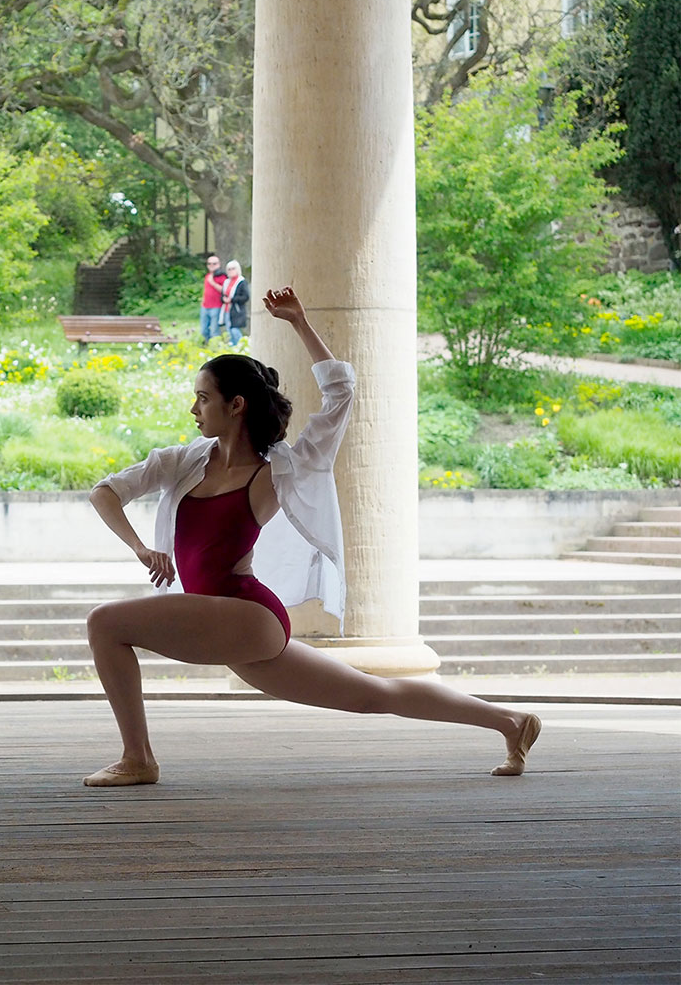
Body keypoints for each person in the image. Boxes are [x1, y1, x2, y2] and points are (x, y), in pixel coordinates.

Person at [79, 287, 540, 787]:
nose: (194, 408)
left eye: (203, 398)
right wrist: (141, 548)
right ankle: (510, 722)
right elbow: (106, 492)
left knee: (106, 624)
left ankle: (139, 759)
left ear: (236, 405)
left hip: (247, 614)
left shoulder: (283, 470)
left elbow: (341, 392)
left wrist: (299, 321)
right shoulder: (183, 460)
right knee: (370, 694)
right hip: (225, 621)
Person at [199, 254, 228, 344]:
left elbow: (224, 290)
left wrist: (213, 283)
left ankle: (215, 347)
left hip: (216, 306)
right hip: (205, 306)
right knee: (203, 330)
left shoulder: (222, 276)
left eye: (214, 264)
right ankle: (207, 345)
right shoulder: (207, 276)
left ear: (218, 264)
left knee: (214, 330)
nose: (212, 266)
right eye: (209, 264)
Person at [221, 259, 250, 347]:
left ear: (237, 269)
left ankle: (242, 346)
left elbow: (245, 297)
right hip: (227, 310)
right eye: (229, 269)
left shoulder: (241, 282)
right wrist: (224, 299)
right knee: (229, 331)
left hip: (237, 310)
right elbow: (222, 295)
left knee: (235, 330)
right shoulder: (226, 282)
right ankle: (234, 349)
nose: (230, 271)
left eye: (233, 268)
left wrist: (232, 299)